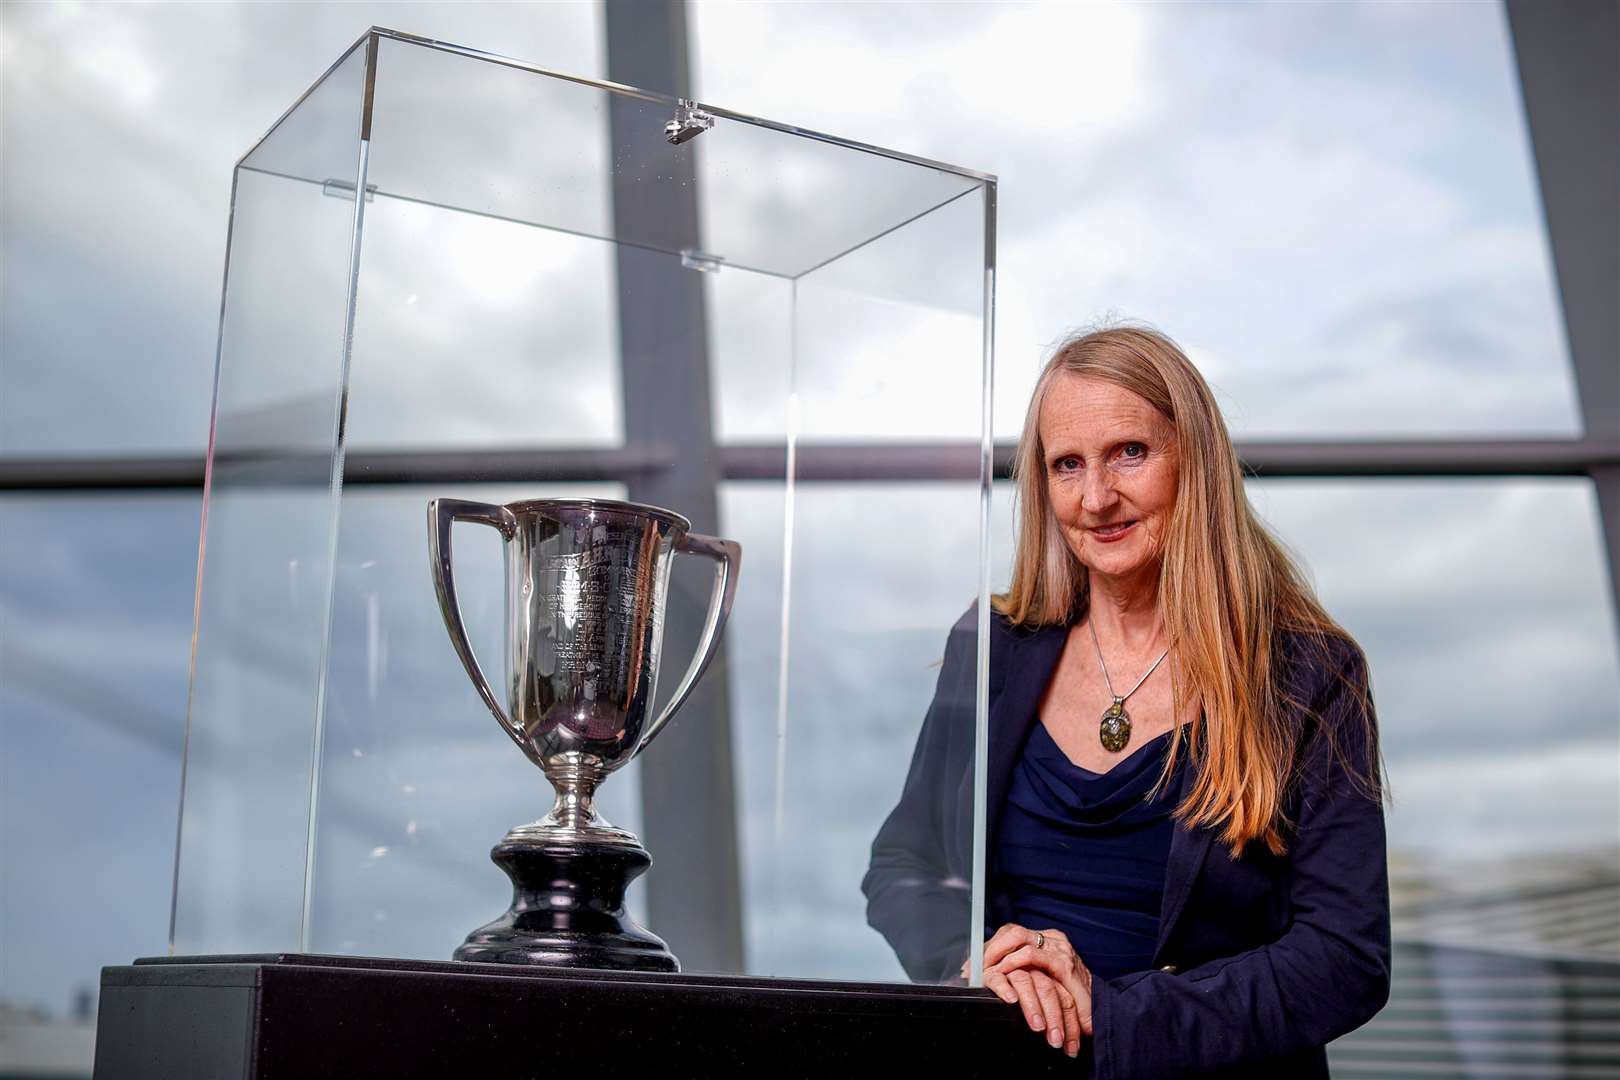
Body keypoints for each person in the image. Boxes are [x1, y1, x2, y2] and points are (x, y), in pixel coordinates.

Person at [862, 326, 1390, 1078]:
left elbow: (1344, 960)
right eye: (1066, 465)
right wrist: (980, 963)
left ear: (1195, 461)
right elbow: (904, 862)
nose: (1097, 497)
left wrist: (1111, 1016)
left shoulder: (1308, 672)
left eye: (1129, 454)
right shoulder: (994, 645)